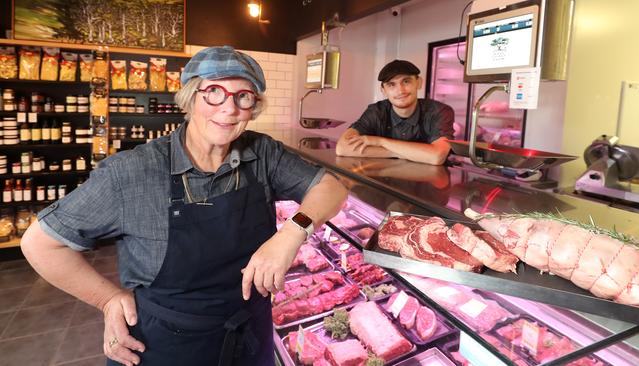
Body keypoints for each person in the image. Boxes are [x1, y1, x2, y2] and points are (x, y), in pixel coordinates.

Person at [20, 46, 348, 366]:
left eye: (243, 96)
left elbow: (331, 188)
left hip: (250, 337)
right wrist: (107, 300)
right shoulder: (132, 172)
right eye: (214, 92)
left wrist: (292, 232)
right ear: (190, 98)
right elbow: (40, 243)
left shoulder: (263, 154)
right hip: (165, 346)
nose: (229, 108)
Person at [336, 59, 455, 165]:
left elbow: (437, 156)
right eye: (391, 84)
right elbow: (342, 148)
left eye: (406, 81)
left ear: (419, 83)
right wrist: (406, 154)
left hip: (429, 184)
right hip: (386, 181)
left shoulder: (439, 111)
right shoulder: (376, 111)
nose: (400, 90)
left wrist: (380, 142)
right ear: (383, 90)